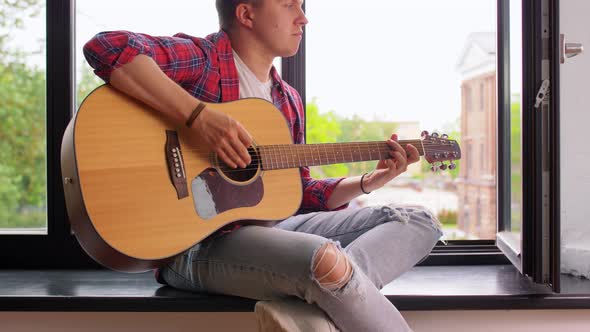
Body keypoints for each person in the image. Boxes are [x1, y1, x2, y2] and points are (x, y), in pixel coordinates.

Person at [83, 0, 444, 331]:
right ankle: (321, 289)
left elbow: (298, 194)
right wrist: (198, 117)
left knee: (418, 220)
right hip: (194, 247)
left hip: (276, 230)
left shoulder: (287, 100)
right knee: (323, 259)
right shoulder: (203, 61)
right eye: (289, 5)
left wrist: (370, 180)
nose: (303, 18)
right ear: (246, 14)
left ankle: (307, 310)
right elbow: (106, 47)